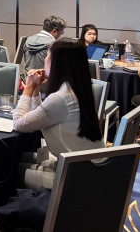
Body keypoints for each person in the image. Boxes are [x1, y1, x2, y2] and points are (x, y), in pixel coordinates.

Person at [13, 40, 103, 188]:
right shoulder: (78, 89)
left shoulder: (61, 97)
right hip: (92, 169)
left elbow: (18, 124)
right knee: (18, 157)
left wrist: (28, 88)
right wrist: (35, 90)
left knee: (7, 167)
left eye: (47, 56)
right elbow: (43, 116)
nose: (45, 60)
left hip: (75, 180)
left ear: (57, 63)